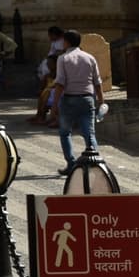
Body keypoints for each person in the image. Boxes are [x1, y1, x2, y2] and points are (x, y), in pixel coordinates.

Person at [52, 29, 103, 171]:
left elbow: (60, 83)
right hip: (87, 99)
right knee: (89, 133)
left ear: (66, 42)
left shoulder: (63, 59)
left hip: (69, 100)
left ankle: (71, 164)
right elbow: (97, 82)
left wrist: (55, 104)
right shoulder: (90, 58)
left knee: (65, 132)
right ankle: (95, 164)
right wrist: (101, 101)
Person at [34, 25, 67, 124]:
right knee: (43, 94)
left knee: (47, 94)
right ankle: (40, 116)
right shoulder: (48, 75)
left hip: (59, 93)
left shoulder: (61, 72)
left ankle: (53, 119)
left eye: (50, 65)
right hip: (52, 92)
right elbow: (43, 84)